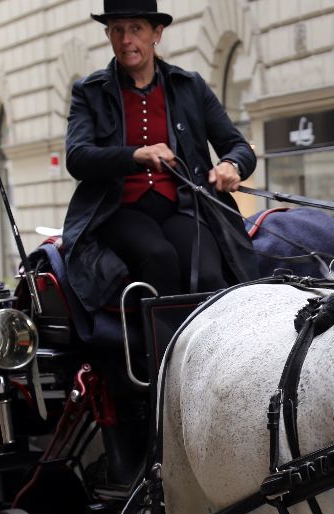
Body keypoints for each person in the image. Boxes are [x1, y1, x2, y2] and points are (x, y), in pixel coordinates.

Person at [62, 0, 258, 324]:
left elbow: (237, 146)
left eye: (136, 29)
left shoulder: (189, 86)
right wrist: (134, 156)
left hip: (181, 206)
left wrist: (230, 166)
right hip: (118, 209)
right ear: (109, 36)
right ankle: (162, 367)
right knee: (159, 257)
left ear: (157, 33)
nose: (127, 40)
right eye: (117, 31)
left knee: (209, 275)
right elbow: (77, 158)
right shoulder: (89, 91)